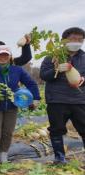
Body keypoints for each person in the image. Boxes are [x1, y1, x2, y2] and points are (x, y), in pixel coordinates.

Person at [0, 45, 40, 167]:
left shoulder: (17, 70)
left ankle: (3, 155)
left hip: (12, 105)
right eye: (0, 55)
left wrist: (36, 98)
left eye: (5, 55)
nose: (3, 57)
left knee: (8, 132)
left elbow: (31, 83)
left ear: (10, 56)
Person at [40, 27, 85, 163]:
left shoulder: (84, 57)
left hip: (79, 100)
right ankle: (59, 158)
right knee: (56, 129)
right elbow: (43, 75)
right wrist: (56, 69)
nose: (76, 42)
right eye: (72, 39)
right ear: (64, 41)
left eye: (80, 39)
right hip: (57, 100)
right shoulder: (51, 57)